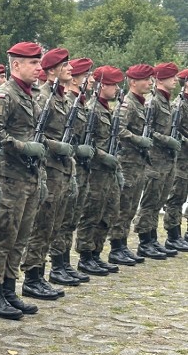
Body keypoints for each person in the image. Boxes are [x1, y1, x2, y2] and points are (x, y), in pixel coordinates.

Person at [0, 42, 45, 320]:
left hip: (29, 175)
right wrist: (21, 147)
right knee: (3, 236)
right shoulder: (5, 95)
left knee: (20, 236)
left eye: (39, 62)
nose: (39, 68)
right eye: (33, 63)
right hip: (9, 177)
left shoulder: (30, 94)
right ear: (16, 65)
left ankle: (9, 289)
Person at [20, 49, 75, 300]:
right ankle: (32, 276)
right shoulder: (43, 97)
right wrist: (56, 146)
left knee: (52, 225)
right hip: (48, 169)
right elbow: (37, 135)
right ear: (52, 70)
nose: (71, 69)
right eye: (66, 66)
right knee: (41, 226)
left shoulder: (62, 98)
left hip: (62, 170)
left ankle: (40, 274)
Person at [75, 66, 125, 273]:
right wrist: (105, 157)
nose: (117, 89)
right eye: (114, 84)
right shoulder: (93, 108)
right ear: (103, 85)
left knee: (108, 212)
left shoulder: (107, 108)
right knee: (92, 213)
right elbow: (87, 142)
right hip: (96, 170)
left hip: (109, 171)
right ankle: (85, 256)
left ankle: (96, 252)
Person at [50, 57, 94, 283]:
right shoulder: (60, 99)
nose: (92, 79)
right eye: (87, 75)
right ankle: (56, 266)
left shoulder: (76, 101)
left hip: (73, 166)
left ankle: (64, 263)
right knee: (58, 221)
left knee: (70, 219)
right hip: (55, 168)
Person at [108, 64, 156, 264]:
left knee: (131, 206)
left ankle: (123, 243)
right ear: (133, 82)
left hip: (137, 163)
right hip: (127, 162)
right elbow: (118, 130)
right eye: (146, 79)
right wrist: (138, 140)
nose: (150, 83)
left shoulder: (140, 103)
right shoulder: (127, 104)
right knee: (123, 205)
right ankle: (116, 246)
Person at [133, 62, 181, 258]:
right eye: (172, 77)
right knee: (150, 201)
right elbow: (149, 130)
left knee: (159, 200)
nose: (176, 80)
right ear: (160, 79)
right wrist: (167, 140)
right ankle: (145, 241)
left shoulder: (165, 101)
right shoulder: (153, 102)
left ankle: (152, 238)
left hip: (167, 161)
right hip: (155, 160)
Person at [163, 68, 188, 251]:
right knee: (176, 197)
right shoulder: (178, 106)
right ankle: (173, 235)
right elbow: (173, 132)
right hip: (181, 159)